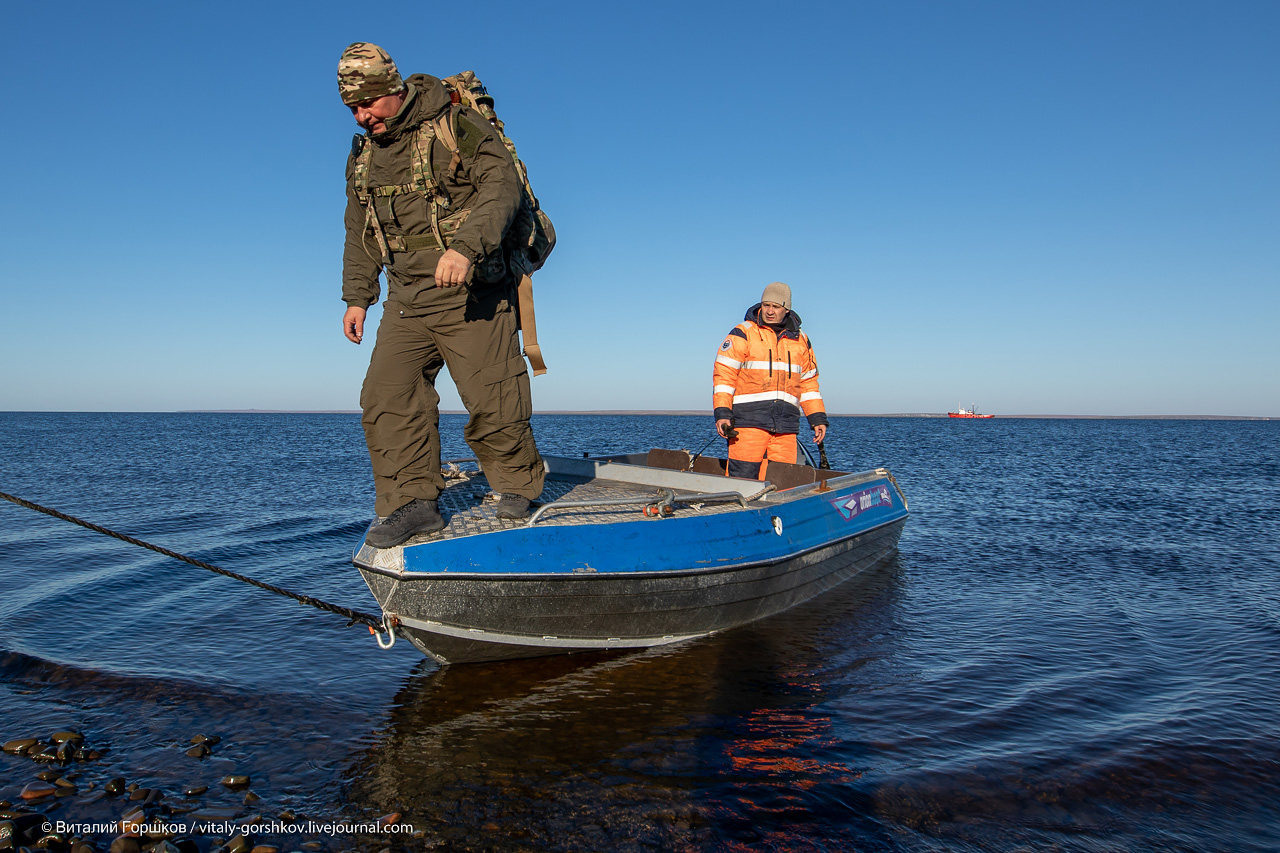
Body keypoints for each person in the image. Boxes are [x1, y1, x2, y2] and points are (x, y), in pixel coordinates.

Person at [337, 43, 544, 548]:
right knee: (386, 397)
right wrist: (357, 296)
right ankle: (412, 504)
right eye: (353, 109)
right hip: (406, 300)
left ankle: (517, 487)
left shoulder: (453, 124)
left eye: (368, 104)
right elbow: (359, 229)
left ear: (393, 89)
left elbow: (502, 187)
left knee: (493, 398)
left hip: (471, 293)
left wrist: (466, 249)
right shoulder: (364, 154)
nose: (363, 117)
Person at [712, 282, 829, 479]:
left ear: (786, 309)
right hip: (748, 423)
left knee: (783, 479)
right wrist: (722, 413)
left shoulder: (801, 340)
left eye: (776, 307)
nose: (770, 311)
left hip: (786, 425)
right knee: (743, 480)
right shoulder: (743, 333)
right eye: (766, 305)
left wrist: (817, 418)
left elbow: (808, 384)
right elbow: (724, 376)